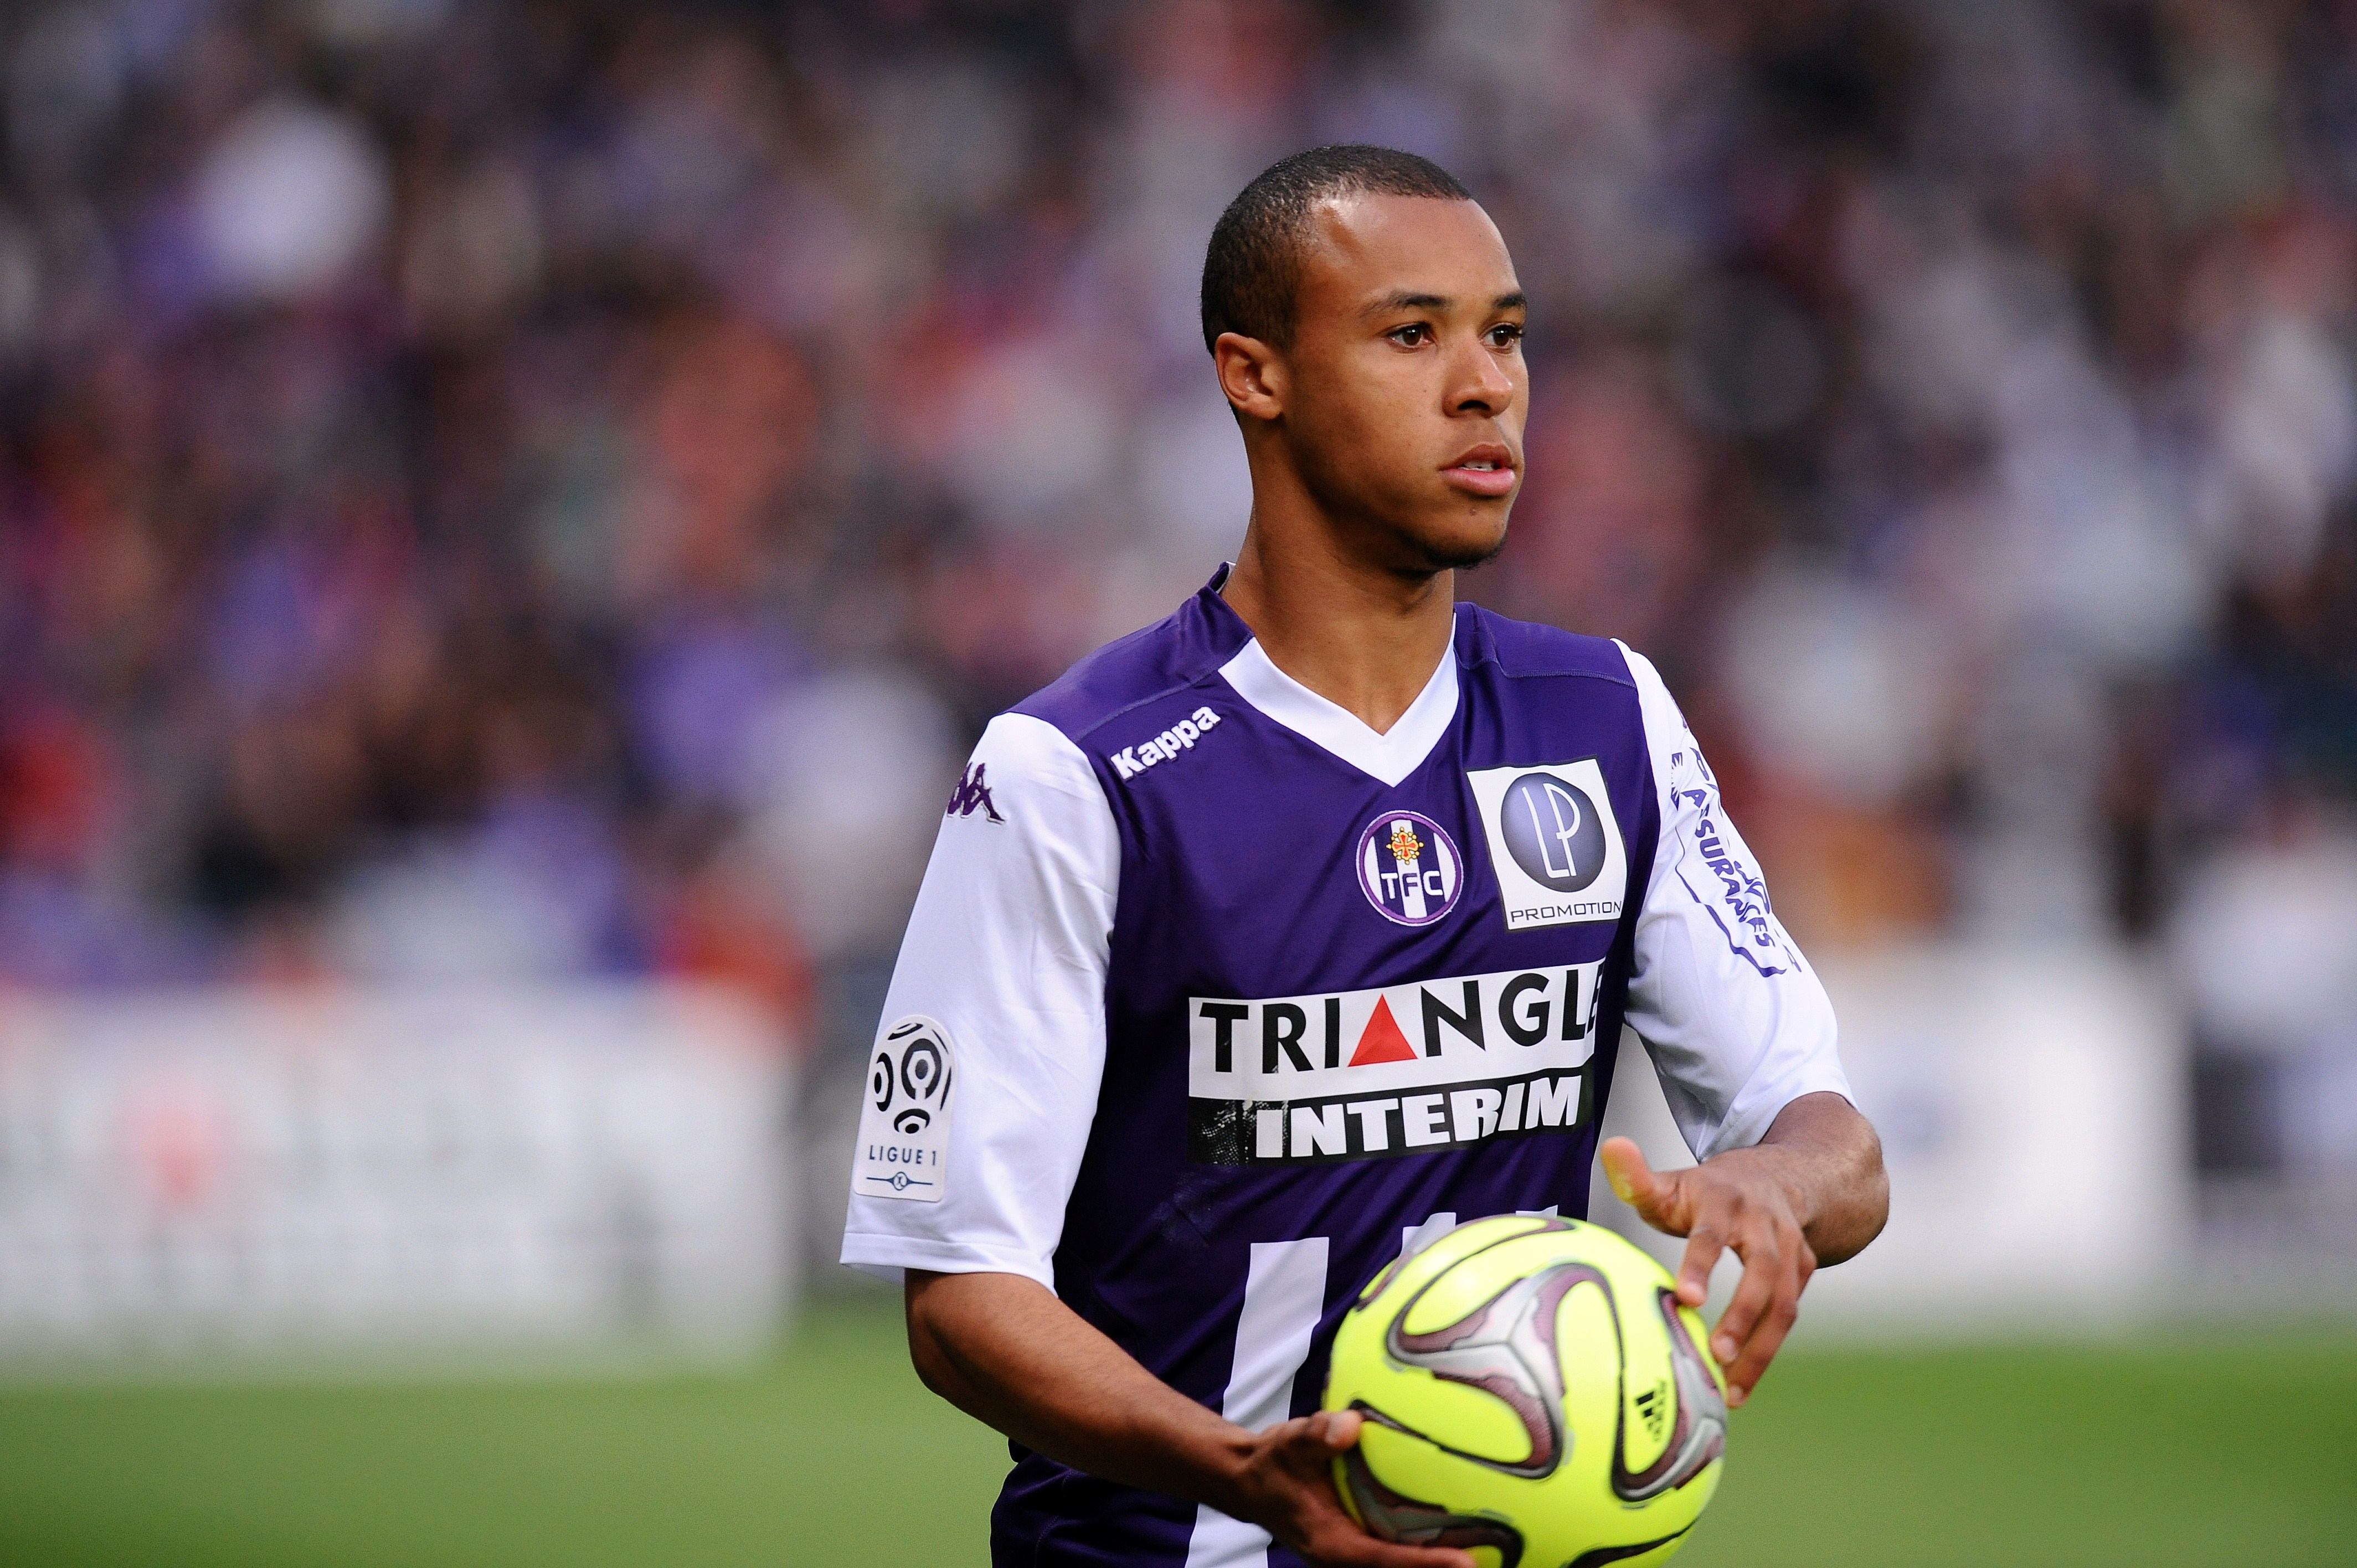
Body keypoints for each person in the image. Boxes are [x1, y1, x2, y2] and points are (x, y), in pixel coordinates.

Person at [841, 145, 1889, 1568]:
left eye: (1506, 337)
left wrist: (1777, 1183)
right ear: (1251, 374)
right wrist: (1244, 1475)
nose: (1486, 386)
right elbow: (961, 1300)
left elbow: (1831, 1141)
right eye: (1412, 335)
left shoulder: (1606, 719)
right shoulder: (1073, 773)